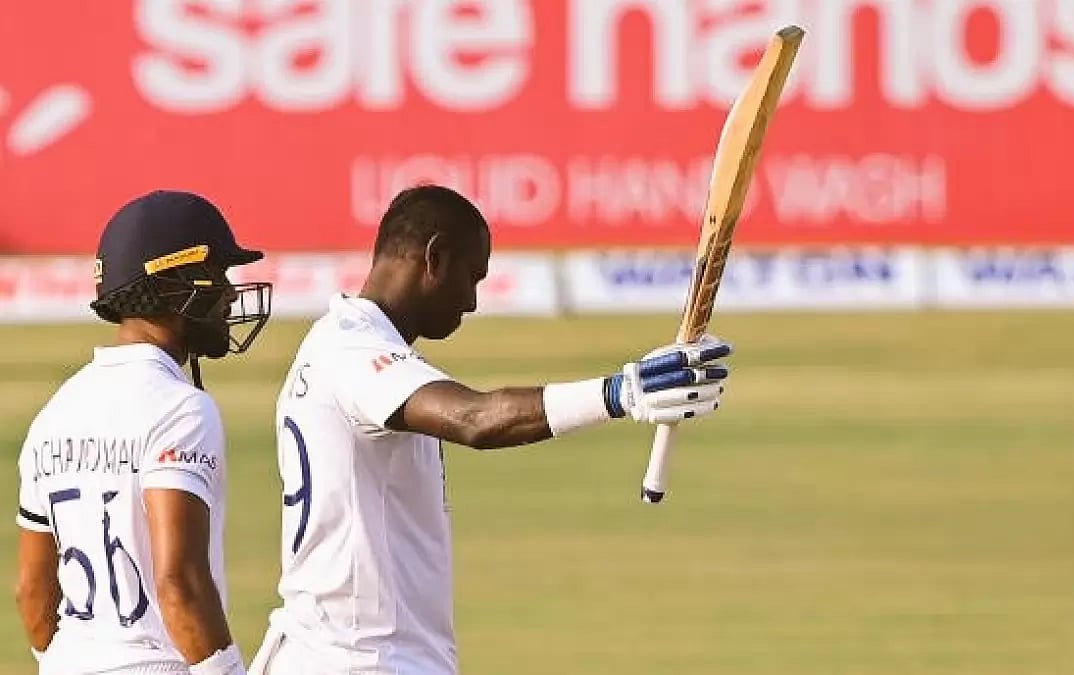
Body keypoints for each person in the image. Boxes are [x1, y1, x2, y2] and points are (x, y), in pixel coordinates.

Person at [248, 184, 732, 674]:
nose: (473, 302)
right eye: (471, 278)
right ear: (435, 258)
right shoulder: (353, 351)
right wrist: (620, 394)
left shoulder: (340, 340)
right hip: (361, 659)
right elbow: (476, 419)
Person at [14, 190, 273, 674]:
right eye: (218, 274)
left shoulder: (54, 412)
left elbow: (32, 592)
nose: (231, 294)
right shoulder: (182, 410)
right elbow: (179, 585)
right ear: (173, 283)